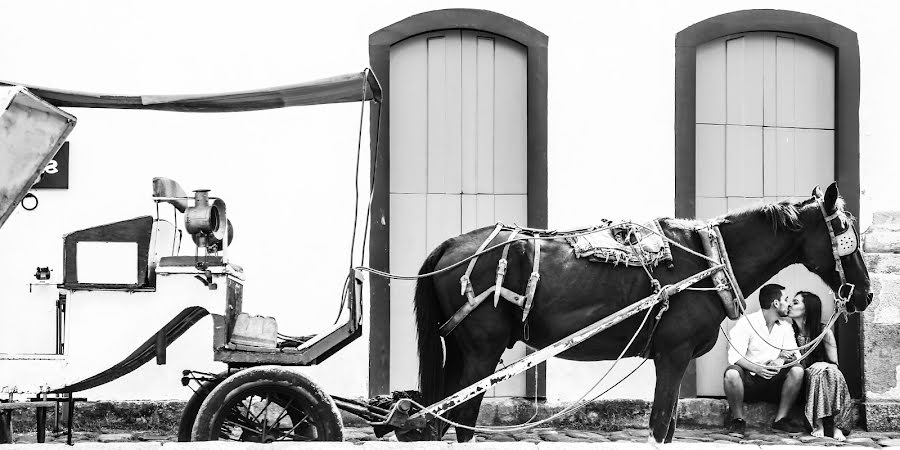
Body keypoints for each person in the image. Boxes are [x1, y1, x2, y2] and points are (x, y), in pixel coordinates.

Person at [724, 284, 805, 434]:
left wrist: (781, 359)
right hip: (751, 382)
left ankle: (780, 420)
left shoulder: (785, 327)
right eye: (786, 299)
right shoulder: (747, 323)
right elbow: (734, 356)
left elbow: (796, 356)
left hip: (775, 383)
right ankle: (737, 420)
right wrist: (757, 369)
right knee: (731, 373)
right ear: (775, 303)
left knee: (797, 371)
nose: (788, 304)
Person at [788, 291, 853, 441]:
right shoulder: (787, 331)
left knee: (835, 373)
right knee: (814, 373)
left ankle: (838, 426)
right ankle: (818, 424)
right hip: (798, 380)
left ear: (808, 309)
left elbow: (835, 364)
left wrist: (823, 363)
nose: (790, 304)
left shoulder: (824, 332)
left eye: (796, 302)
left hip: (822, 379)